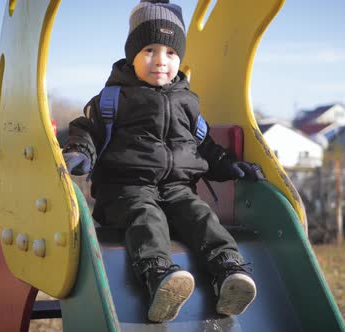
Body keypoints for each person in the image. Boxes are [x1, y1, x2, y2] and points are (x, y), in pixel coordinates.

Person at [62, 0, 264, 323]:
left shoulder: (188, 101)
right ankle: (159, 280)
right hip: (125, 190)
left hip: (175, 189)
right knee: (147, 217)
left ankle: (228, 273)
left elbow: (203, 145)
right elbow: (87, 129)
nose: (161, 61)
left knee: (201, 215)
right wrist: (80, 152)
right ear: (132, 54)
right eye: (149, 51)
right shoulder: (115, 98)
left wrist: (227, 164)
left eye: (171, 53)